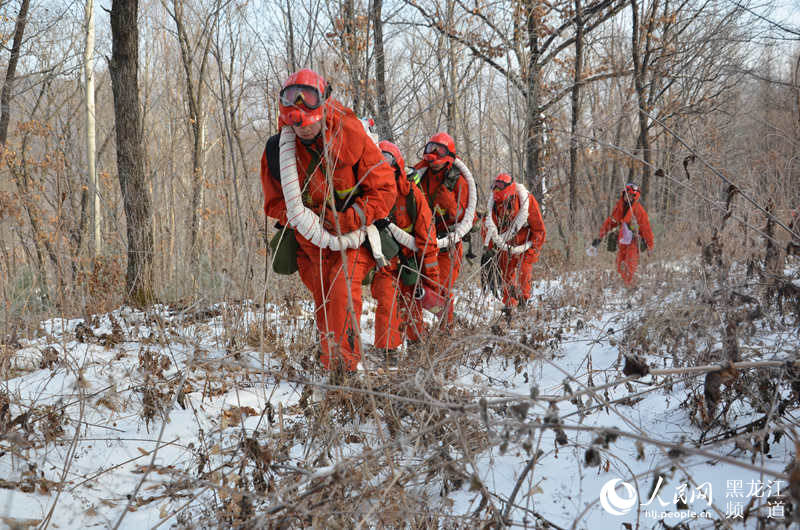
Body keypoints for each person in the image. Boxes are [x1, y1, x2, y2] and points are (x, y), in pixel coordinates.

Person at [259, 68, 396, 374]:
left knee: (341, 289)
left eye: (310, 123)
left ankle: (344, 370)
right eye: (298, 126)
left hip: (354, 236)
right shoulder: (276, 151)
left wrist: (349, 219)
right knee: (325, 300)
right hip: (309, 242)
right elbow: (273, 203)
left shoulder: (351, 134)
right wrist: (304, 218)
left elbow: (385, 189)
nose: (305, 131)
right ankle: (331, 364)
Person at [370, 141, 440, 361]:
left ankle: (417, 348)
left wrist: (432, 279)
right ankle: (388, 353)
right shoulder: (369, 195)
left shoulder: (412, 196)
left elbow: (427, 238)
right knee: (387, 303)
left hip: (410, 262)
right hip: (383, 264)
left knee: (413, 305)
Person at [413, 132, 469, 326]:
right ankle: (418, 334)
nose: (434, 155)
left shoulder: (459, 180)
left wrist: (448, 202)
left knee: (442, 288)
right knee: (414, 287)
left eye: (439, 150)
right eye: (431, 149)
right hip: (422, 240)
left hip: (448, 243)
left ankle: (446, 329)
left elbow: (465, 215)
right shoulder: (419, 174)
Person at [482, 173, 546, 307]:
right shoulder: (493, 205)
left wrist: (534, 247)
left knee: (524, 270)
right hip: (505, 244)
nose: (496, 191)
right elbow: (488, 227)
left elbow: (539, 227)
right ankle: (509, 306)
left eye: (500, 188)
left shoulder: (525, 200)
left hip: (525, 242)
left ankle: (524, 302)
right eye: (495, 187)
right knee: (506, 275)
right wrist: (489, 249)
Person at [591, 183, 654, 287]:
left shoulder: (638, 210)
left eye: (632, 196)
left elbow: (646, 228)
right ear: (624, 194)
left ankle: (630, 285)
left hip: (633, 241)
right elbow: (610, 222)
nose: (629, 197)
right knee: (620, 264)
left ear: (635, 197)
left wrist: (650, 245)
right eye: (627, 195)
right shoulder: (619, 207)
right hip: (622, 240)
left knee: (630, 262)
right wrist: (599, 237)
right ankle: (625, 283)